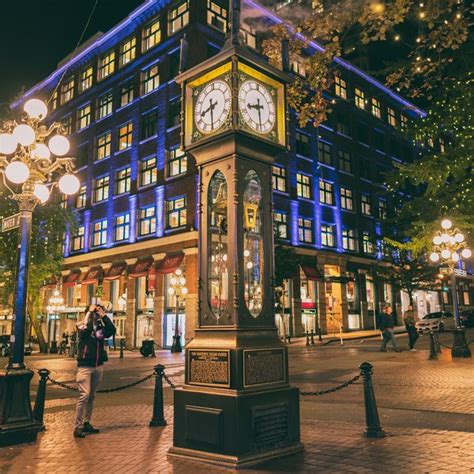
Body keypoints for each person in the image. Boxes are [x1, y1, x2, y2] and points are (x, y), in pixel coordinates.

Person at [74, 304, 116, 438]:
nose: (96, 314)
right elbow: (86, 330)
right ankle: (78, 426)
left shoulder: (100, 328)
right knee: (84, 396)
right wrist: (90, 313)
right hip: (85, 366)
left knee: (92, 396)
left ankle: (87, 422)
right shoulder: (81, 324)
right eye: (95, 312)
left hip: (97, 365)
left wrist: (104, 316)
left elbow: (112, 330)